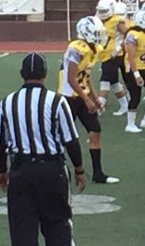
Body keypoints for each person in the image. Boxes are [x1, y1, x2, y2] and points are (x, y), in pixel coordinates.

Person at [0, 52, 87, 246]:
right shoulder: (57, 101)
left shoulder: (7, 102)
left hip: (21, 171)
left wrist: (1, 171)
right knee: (58, 226)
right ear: (45, 73)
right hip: (51, 170)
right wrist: (79, 169)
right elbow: (71, 139)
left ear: (22, 73)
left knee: (22, 232)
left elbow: (0, 142)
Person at [58, 16, 119, 184]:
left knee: (95, 130)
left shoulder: (94, 49)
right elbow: (71, 79)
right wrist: (87, 99)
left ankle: (98, 173)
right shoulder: (76, 48)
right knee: (63, 136)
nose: (100, 36)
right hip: (69, 98)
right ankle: (60, 171)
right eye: (97, 33)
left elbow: (86, 77)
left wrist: (95, 98)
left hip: (82, 96)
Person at [95, 0, 129, 116]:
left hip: (114, 56)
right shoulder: (98, 20)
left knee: (105, 81)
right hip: (104, 55)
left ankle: (99, 106)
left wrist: (119, 48)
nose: (102, 13)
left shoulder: (118, 20)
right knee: (114, 83)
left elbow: (130, 36)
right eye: (101, 11)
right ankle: (124, 105)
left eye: (105, 11)